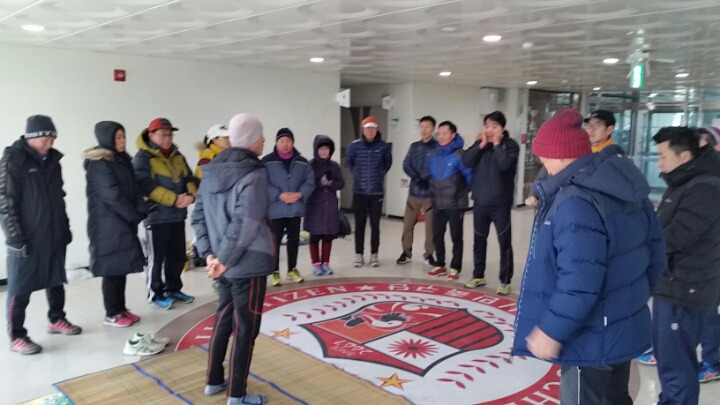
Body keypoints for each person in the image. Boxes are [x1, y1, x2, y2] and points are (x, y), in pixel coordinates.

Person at [511, 108, 665, 405]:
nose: (541, 162)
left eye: (542, 155)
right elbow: (656, 252)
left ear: (559, 155)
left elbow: (579, 280)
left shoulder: (575, 201)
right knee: (615, 398)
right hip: (621, 322)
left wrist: (551, 331)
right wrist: (628, 300)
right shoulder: (621, 184)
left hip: (590, 334)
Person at [192, 112, 273, 405]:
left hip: (222, 264)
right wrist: (223, 260)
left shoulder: (211, 169)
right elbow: (245, 223)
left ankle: (214, 381)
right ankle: (237, 395)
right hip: (247, 264)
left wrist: (210, 255)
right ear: (251, 139)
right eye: (260, 136)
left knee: (223, 320)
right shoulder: (255, 173)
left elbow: (198, 217)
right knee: (245, 329)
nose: (264, 140)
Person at [0, 115, 81, 355]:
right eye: (45, 139)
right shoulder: (13, 160)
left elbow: (59, 197)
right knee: (20, 288)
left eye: (52, 139)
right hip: (25, 237)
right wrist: (14, 237)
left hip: (53, 232)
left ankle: (57, 319)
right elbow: (5, 202)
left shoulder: (53, 161)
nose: (50, 144)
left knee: (55, 279)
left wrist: (64, 227)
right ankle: (17, 336)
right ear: (31, 138)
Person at [651, 127, 720, 404]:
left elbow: (677, 235)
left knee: (676, 366)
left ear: (684, 156)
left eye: (663, 156)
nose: (658, 162)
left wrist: (642, 239)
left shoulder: (703, 187)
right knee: (671, 362)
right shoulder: (685, 182)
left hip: (685, 289)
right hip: (673, 284)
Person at [84, 121, 148, 328]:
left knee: (121, 266)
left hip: (122, 222)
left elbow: (134, 188)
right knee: (112, 269)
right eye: (117, 138)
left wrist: (140, 210)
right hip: (106, 225)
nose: (122, 141)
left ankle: (120, 309)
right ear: (107, 139)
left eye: (123, 137)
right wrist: (132, 215)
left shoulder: (122, 160)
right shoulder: (99, 163)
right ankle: (111, 313)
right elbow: (112, 195)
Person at [133, 118, 197, 309]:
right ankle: (155, 294)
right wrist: (174, 199)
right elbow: (145, 185)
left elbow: (189, 177)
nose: (168, 138)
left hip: (178, 215)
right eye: (163, 134)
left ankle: (173, 289)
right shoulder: (143, 157)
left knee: (177, 256)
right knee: (156, 259)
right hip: (156, 217)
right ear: (151, 135)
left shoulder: (177, 155)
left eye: (170, 135)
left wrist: (191, 196)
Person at [462, 111, 519, 295]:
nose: (489, 130)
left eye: (494, 126)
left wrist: (496, 144)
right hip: (480, 201)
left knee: (504, 242)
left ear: (502, 128)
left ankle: (505, 280)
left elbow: (505, 165)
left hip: (500, 204)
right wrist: (481, 145)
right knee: (479, 241)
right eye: (487, 126)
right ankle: (478, 275)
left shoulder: (511, 146)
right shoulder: (480, 144)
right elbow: (466, 161)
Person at [261, 128, 314, 287]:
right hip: (276, 209)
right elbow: (262, 182)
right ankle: (275, 271)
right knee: (275, 241)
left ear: (293, 142)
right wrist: (279, 195)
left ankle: (292, 269)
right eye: (282, 141)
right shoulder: (267, 161)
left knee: (294, 240)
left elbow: (310, 181)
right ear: (276, 142)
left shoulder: (302, 161)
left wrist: (300, 194)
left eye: (288, 141)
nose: (285, 144)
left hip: (295, 208)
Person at [425, 121, 472, 281]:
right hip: (437, 202)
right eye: (439, 133)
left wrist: (460, 193)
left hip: (455, 204)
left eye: (445, 133)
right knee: (437, 235)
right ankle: (440, 263)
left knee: (456, 236)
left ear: (453, 135)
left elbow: (469, 177)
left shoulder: (460, 154)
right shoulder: (433, 154)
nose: (441, 136)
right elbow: (430, 177)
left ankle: (455, 267)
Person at [346, 116, 392, 267]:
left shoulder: (383, 147)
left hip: (376, 192)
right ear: (363, 129)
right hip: (359, 191)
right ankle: (358, 255)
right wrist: (358, 175)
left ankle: (374, 255)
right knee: (359, 224)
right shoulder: (354, 146)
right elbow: (349, 163)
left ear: (377, 129)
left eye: (373, 128)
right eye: (368, 128)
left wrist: (378, 176)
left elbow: (387, 164)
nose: (370, 131)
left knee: (375, 225)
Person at [397, 115, 437, 266]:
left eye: (427, 127)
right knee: (408, 225)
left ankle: (429, 254)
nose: (423, 130)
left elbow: (437, 167)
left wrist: (426, 178)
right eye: (421, 127)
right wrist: (417, 177)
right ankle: (406, 252)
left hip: (430, 194)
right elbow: (406, 164)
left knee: (430, 228)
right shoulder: (414, 146)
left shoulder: (437, 147)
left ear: (433, 129)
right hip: (413, 193)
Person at [304, 135, 345, 276]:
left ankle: (325, 262)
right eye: (321, 149)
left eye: (326, 149)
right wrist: (319, 183)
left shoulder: (334, 166)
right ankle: (316, 263)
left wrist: (330, 183)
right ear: (316, 150)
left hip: (330, 207)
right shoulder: (310, 166)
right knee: (315, 235)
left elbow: (341, 183)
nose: (324, 151)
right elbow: (306, 184)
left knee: (328, 235)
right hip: (315, 207)